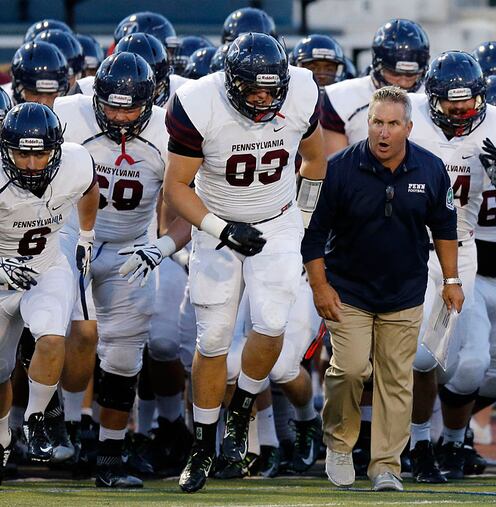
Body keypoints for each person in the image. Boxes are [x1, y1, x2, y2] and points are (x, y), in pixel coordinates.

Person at [163, 32, 326, 493]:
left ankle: (240, 414)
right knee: (212, 339)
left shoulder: (303, 90)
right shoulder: (198, 102)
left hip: (277, 219)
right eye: (254, 90)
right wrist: (220, 229)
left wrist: (303, 219)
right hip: (216, 224)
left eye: (272, 90)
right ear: (231, 83)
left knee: (272, 323)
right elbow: (176, 188)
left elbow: (314, 160)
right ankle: (203, 444)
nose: (264, 98)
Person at [301, 85, 462, 491]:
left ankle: (386, 465)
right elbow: (312, 235)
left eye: (392, 124)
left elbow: (444, 227)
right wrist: (320, 288)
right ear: (367, 124)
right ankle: (339, 444)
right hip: (348, 290)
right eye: (376, 122)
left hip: (404, 291)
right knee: (351, 368)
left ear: (409, 127)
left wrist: (452, 279)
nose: (383, 132)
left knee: (396, 378)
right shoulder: (338, 169)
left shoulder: (430, 169)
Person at [406, 51, 496, 482]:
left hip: (462, 249)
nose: (460, 113)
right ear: (430, 99)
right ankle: (415, 442)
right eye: (450, 105)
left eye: (467, 104)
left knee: (470, 364)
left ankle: (446, 438)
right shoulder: (408, 117)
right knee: (419, 356)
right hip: (412, 246)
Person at [54, 51, 188, 487]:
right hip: (72, 237)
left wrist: (162, 246)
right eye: (111, 105)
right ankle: (68, 427)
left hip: (132, 245)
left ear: (150, 103)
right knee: (67, 331)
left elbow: (190, 202)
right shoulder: (69, 113)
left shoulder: (169, 132)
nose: (119, 116)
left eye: (130, 107)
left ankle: (109, 455)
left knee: (125, 353)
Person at [0, 102, 98, 477]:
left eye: (40, 152)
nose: (31, 163)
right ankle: (2, 441)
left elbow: (90, 186)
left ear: (56, 148)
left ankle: (37, 419)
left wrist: (86, 235)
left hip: (45, 266)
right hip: (0, 280)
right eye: (21, 153)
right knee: (0, 372)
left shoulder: (75, 162)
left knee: (53, 337)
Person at [320, 19, 429, 156]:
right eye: (394, 73)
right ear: (377, 66)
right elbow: (335, 165)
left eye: (410, 74)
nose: (402, 82)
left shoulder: (432, 100)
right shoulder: (342, 97)